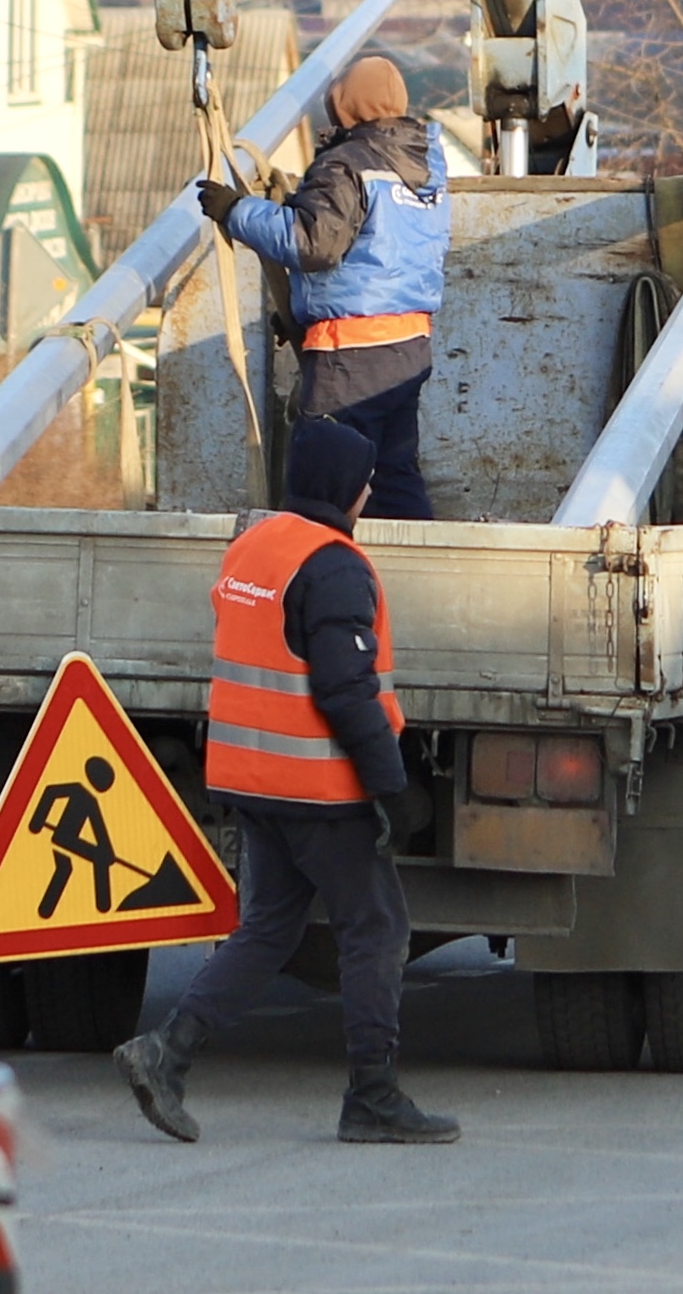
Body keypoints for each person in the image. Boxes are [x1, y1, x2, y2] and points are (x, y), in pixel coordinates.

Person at [113, 418, 458, 1147]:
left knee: (267, 927)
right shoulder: (333, 566)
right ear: (344, 485)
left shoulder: (254, 546)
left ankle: (164, 1053)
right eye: (365, 479)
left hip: (251, 777)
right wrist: (391, 785)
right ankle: (372, 1094)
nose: (370, 490)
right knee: (376, 929)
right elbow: (345, 688)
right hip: (318, 788)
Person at [203, 53, 449, 518]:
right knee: (394, 471)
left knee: (322, 474)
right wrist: (306, 307)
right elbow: (382, 254)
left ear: (346, 108)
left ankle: (314, 576)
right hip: (409, 345)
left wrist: (236, 211)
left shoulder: (346, 165)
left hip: (350, 353)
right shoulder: (425, 166)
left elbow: (312, 243)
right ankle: (418, 570)